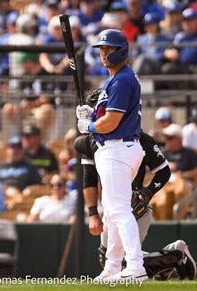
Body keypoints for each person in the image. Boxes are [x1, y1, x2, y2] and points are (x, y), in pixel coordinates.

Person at [73, 110, 196, 280]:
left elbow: (163, 171)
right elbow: (89, 179)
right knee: (108, 262)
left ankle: (173, 256)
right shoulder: (94, 140)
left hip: (136, 207)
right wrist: (93, 213)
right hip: (111, 209)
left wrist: (147, 192)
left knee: (123, 266)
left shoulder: (140, 139)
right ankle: (171, 256)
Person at [75, 29, 146, 283]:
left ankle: (136, 266)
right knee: (112, 213)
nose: (104, 54)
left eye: (109, 49)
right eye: (102, 49)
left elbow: (112, 122)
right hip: (119, 148)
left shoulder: (122, 79)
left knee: (119, 210)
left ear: (122, 50)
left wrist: (90, 126)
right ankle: (113, 266)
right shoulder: (115, 80)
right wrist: (91, 114)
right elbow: (107, 116)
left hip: (117, 147)